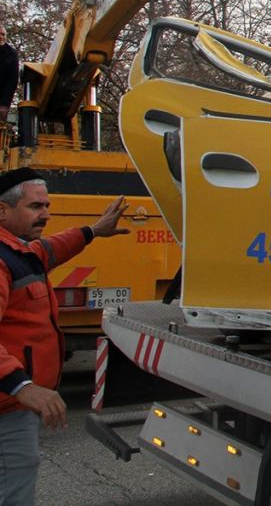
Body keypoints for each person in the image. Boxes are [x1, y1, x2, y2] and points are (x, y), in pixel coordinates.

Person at [0, 167, 128, 506]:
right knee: (13, 482)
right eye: (35, 207)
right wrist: (21, 386)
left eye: (47, 205)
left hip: (11, 402)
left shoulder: (20, 251)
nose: (46, 214)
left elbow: (50, 250)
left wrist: (93, 231)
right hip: (7, 404)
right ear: (3, 210)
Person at [0, 27, 17, 124]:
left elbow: (12, 81)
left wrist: (4, 104)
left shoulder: (12, 54)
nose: (1, 37)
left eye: (3, 34)